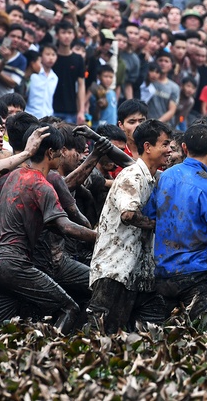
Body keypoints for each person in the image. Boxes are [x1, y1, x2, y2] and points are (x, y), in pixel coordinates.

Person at [0, 124, 97, 334]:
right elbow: (65, 226)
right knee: (68, 308)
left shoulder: (13, 176)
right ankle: (49, 357)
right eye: (60, 151)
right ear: (50, 153)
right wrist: (101, 237)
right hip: (14, 265)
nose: (62, 155)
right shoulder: (42, 185)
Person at [143, 124, 207, 324]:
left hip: (162, 272)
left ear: (185, 147)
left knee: (159, 340)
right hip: (194, 274)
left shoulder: (166, 176)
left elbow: (149, 214)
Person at [87, 119, 172, 334]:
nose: (169, 150)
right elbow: (128, 215)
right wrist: (160, 225)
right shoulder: (133, 175)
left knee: (149, 335)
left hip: (140, 274)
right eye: (165, 144)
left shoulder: (155, 177)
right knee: (101, 336)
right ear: (147, 147)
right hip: (115, 271)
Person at [52, 21, 86, 124]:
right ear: (57, 35)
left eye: (70, 32)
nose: (67, 36)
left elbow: (81, 85)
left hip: (71, 109)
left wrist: (81, 111)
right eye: (63, 32)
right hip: (51, 108)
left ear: (74, 35)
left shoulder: (78, 59)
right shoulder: (51, 58)